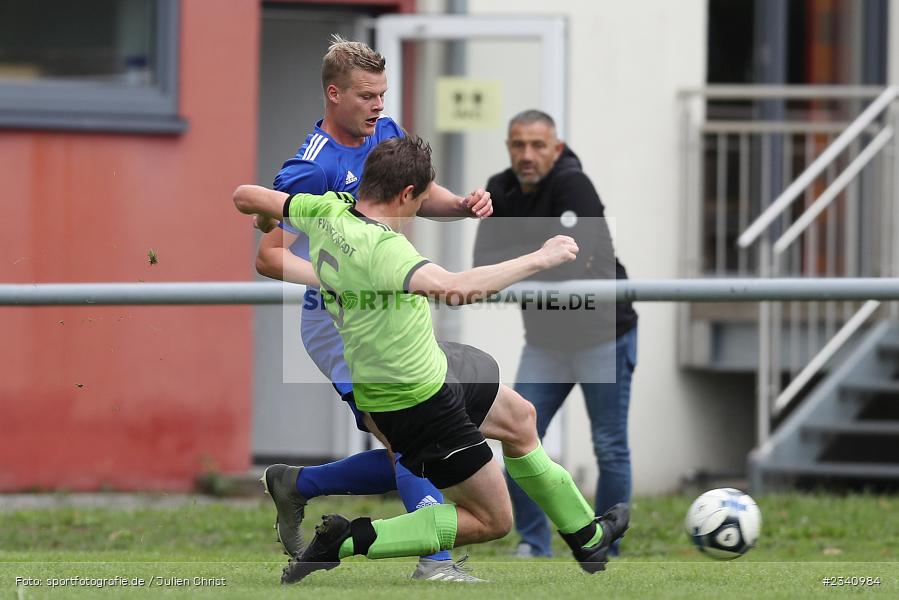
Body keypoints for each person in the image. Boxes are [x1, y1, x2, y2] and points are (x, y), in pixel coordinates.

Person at [233, 135, 630, 585]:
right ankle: (345, 540)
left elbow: (245, 195)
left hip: (427, 368)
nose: (420, 210)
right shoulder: (384, 249)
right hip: (416, 399)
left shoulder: (326, 210)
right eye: (421, 201)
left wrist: (267, 217)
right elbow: (456, 289)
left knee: (521, 418)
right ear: (406, 194)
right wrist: (541, 257)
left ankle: (587, 536)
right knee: (493, 520)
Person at [255, 35, 491, 582]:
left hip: (385, 313)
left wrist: (460, 205)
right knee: (411, 437)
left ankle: (297, 485)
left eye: (383, 94)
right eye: (367, 96)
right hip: (337, 324)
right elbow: (269, 257)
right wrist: (340, 277)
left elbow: (417, 194)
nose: (379, 106)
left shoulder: (382, 131)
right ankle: (434, 562)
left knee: (410, 439)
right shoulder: (310, 168)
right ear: (334, 94)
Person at [472, 110, 638, 558]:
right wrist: (545, 249)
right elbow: (484, 263)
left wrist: (519, 257)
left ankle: (606, 549)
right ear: (508, 147)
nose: (527, 155)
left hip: (605, 334)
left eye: (538, 145)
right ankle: (534, 542)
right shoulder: (500, 187)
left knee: (609, 447)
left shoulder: (573, 185)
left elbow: (572, 263)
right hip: (545, 342)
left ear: (556, 149)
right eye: (518, 145)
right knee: (515, 436)